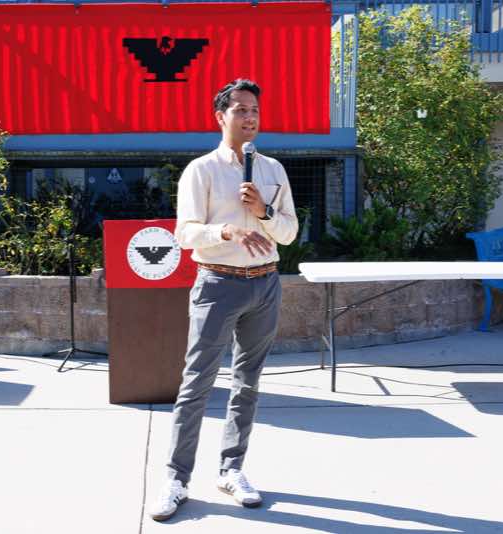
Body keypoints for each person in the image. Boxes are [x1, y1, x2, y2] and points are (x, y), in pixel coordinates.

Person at [150, 78, 298, 521]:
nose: (249, 117)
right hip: (217, 283)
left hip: (265, 284)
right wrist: (228, 230)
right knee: (197, 383)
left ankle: (232, 470)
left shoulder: (273, 170)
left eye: (254, 110)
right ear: (221, 116)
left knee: (247, 383)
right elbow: (184, 233)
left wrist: (263, 212)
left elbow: (289, 233)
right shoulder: (202, 170)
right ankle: (176, 479)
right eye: (240, 110)